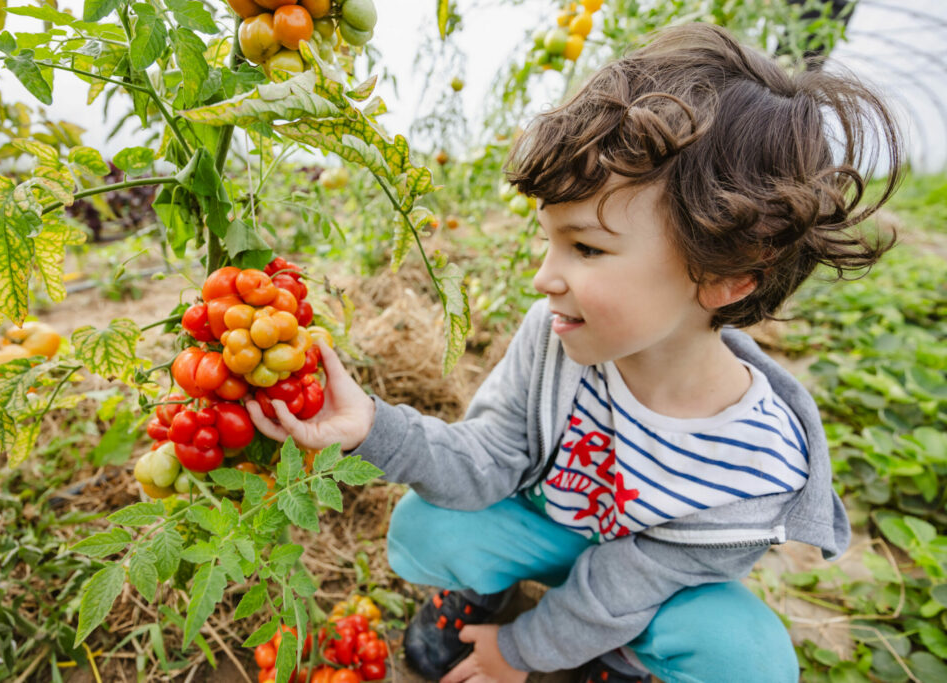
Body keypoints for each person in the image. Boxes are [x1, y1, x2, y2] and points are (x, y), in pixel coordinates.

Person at [248, 22, 903, 683]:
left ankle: (615, 658)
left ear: (725, 276)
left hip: (650, 589)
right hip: (550, 532)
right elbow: (485, 460)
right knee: (427, 525)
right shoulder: (558, 337)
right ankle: (486, 594)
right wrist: (371, 426)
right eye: (549, 240)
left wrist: (521, 652)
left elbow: (623, 585)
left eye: (585, 248)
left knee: (750, 659)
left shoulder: (754, 467)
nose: (543, 276)